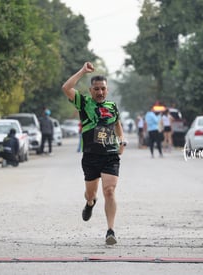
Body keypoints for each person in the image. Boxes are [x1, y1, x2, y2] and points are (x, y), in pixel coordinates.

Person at [61, 61, 126, 245]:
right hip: (90, 156)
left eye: (103, 88)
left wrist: (122, 140)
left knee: (110, 190)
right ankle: (90, 203)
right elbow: (66, 87)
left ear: (107, 89)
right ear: (91, 91)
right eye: (96, 89)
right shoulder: (84, 103)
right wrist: (82, 70)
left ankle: (110, 230)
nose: (100, 92)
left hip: (110, 154)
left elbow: (117, 126)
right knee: (91, 194)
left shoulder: (112, 107)